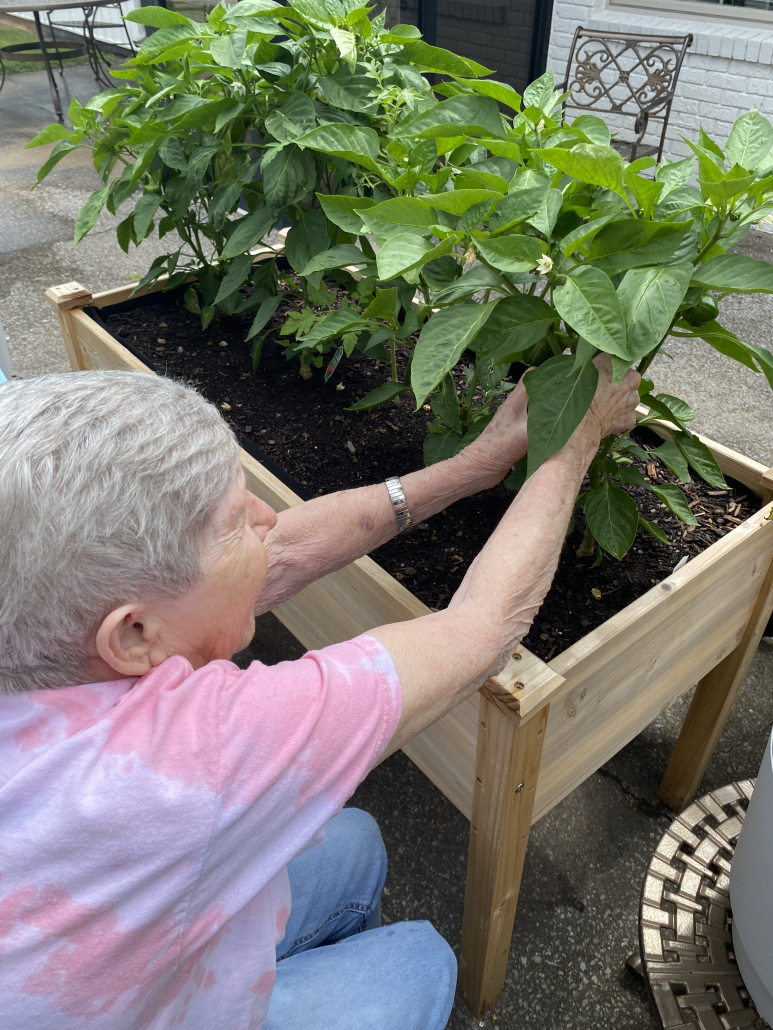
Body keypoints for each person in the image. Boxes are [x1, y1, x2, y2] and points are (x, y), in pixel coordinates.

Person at [0, 359, 640, 1030]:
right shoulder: (186, 763)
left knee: (354, 841)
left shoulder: (47, 634)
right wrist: (576, 436)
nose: (268, 515)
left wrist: (475, 466)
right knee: (420, 961)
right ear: (134, 634)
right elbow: (482, 631)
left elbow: (279, 553)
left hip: (112, 962)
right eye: (233, 521)